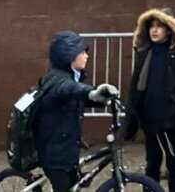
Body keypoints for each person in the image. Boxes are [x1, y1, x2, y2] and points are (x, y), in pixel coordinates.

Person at [123, 8, 175, 192]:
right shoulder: (145, 52)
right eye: (151, 27)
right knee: (152, 163)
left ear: (169, 29)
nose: (154, 30)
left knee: (174, 163)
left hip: (171, 120)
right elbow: (136, 87)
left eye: (159, 26)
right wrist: (132, 118)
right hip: (150, 118)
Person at [33, 32, 120, 192]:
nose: (86, 56)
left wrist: (102, 98)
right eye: (82, 52)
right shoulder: (58, 79)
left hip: (65, 149)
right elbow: (70, 89)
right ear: (69, 55)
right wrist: (92, 92)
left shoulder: (72, 77)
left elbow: (76, 96)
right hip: (54, 154)